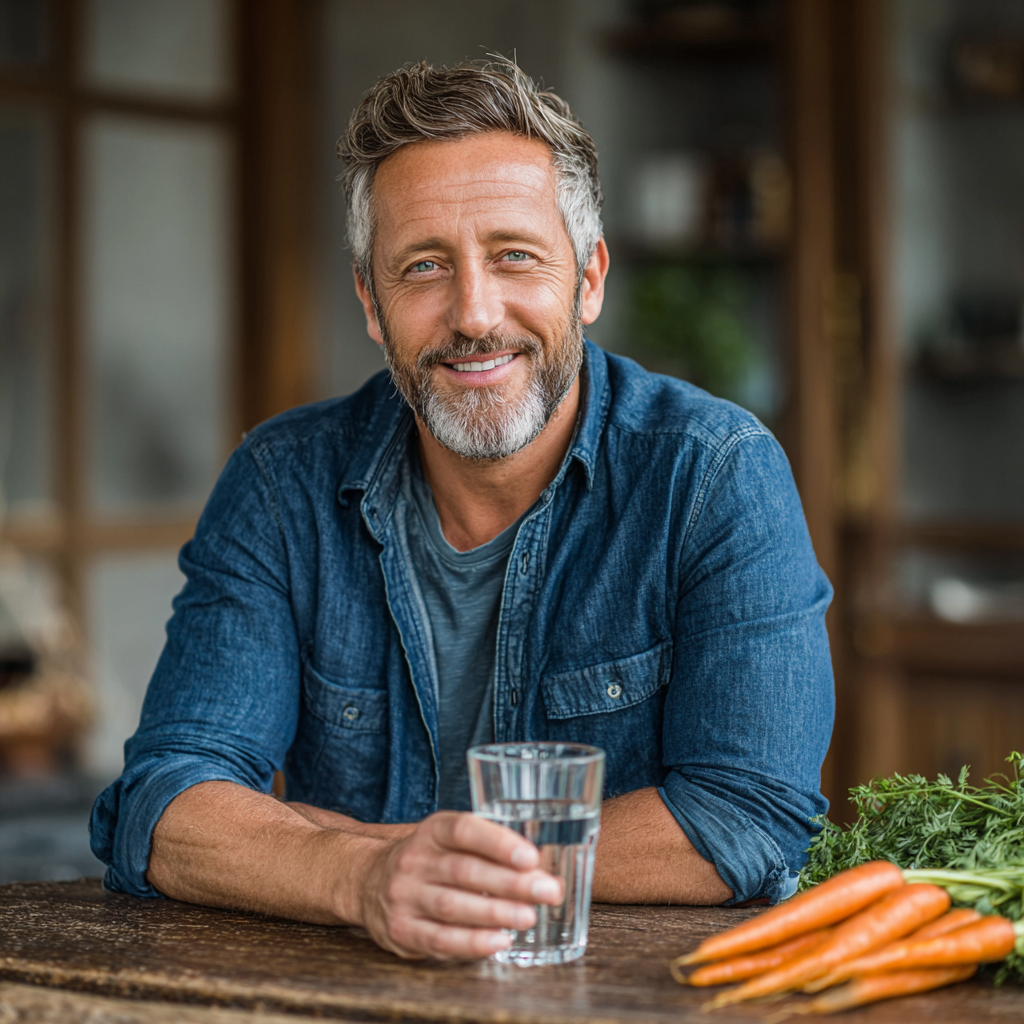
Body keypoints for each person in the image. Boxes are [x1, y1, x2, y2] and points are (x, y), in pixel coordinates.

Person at [90, 60, 834, 960]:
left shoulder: (715, 475)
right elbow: (166, 800)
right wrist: (359, 880)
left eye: (515, 256)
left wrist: (383, 852)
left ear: (589, 278)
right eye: (423, 267)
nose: (475, 314)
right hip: (345, 994)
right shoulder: (281, 481)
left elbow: (744, 819)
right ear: (372, 300)